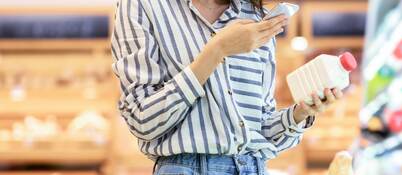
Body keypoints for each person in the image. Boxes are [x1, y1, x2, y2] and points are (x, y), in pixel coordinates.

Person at [110, 0, 342, 174]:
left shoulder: (256, 17)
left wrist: (301, 113)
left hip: (253, 167)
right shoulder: (144, 6)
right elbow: (142, 120)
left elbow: (259, 132)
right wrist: (216, 51)